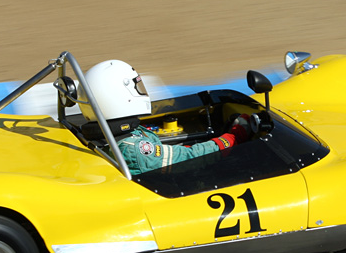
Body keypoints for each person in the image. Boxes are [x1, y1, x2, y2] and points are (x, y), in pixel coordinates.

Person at [81, 59, 258, 176]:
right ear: (117, 96)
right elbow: (188, 158)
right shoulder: (134, 150)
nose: (141, 91)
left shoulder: (117, 135)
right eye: (136, 87)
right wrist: (233, 137)